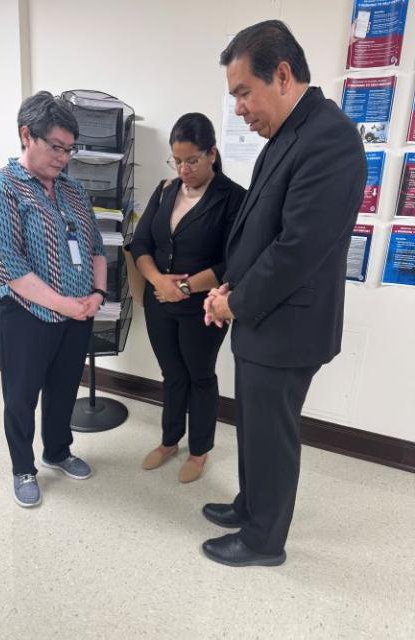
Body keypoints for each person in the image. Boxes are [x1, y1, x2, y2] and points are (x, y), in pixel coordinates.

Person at [202, 21, 367, 566]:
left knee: (272, 433)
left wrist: (233, 301)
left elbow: (297, 249)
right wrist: (230, 282)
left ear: (283, 74)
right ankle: (253, 505)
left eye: (243, 92)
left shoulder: (331, 139)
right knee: (254, 423)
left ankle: (262, 540)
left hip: (287, 325)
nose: (240, 108)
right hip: (259, 315)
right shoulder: (286, 134)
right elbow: (260, 227)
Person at [0, 91, 107, 508]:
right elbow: (7, 266)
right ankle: (23, 467)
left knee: (65, 387)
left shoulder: (71, 190)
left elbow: (97, 246)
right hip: (24, 314)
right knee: (21, 394)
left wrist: (97, 294)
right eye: (56, 147)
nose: (64, 158)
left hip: (78, 313)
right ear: (26, 135)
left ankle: (57, 450)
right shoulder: (1, 189)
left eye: (70, 149)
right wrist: (65, 304)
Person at [130, 113, 246, 483]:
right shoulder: (165, 190)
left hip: (204, 308)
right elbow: (142, 242)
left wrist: (182, 287)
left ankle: (199, 451)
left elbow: (234, 261)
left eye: (191, 160)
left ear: (211, 153)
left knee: (199, 375)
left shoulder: (233, 198)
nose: (183, 169)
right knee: (171, 374)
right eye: (177, 161)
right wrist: (157, 282)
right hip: (160, 305)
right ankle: (169, 441)